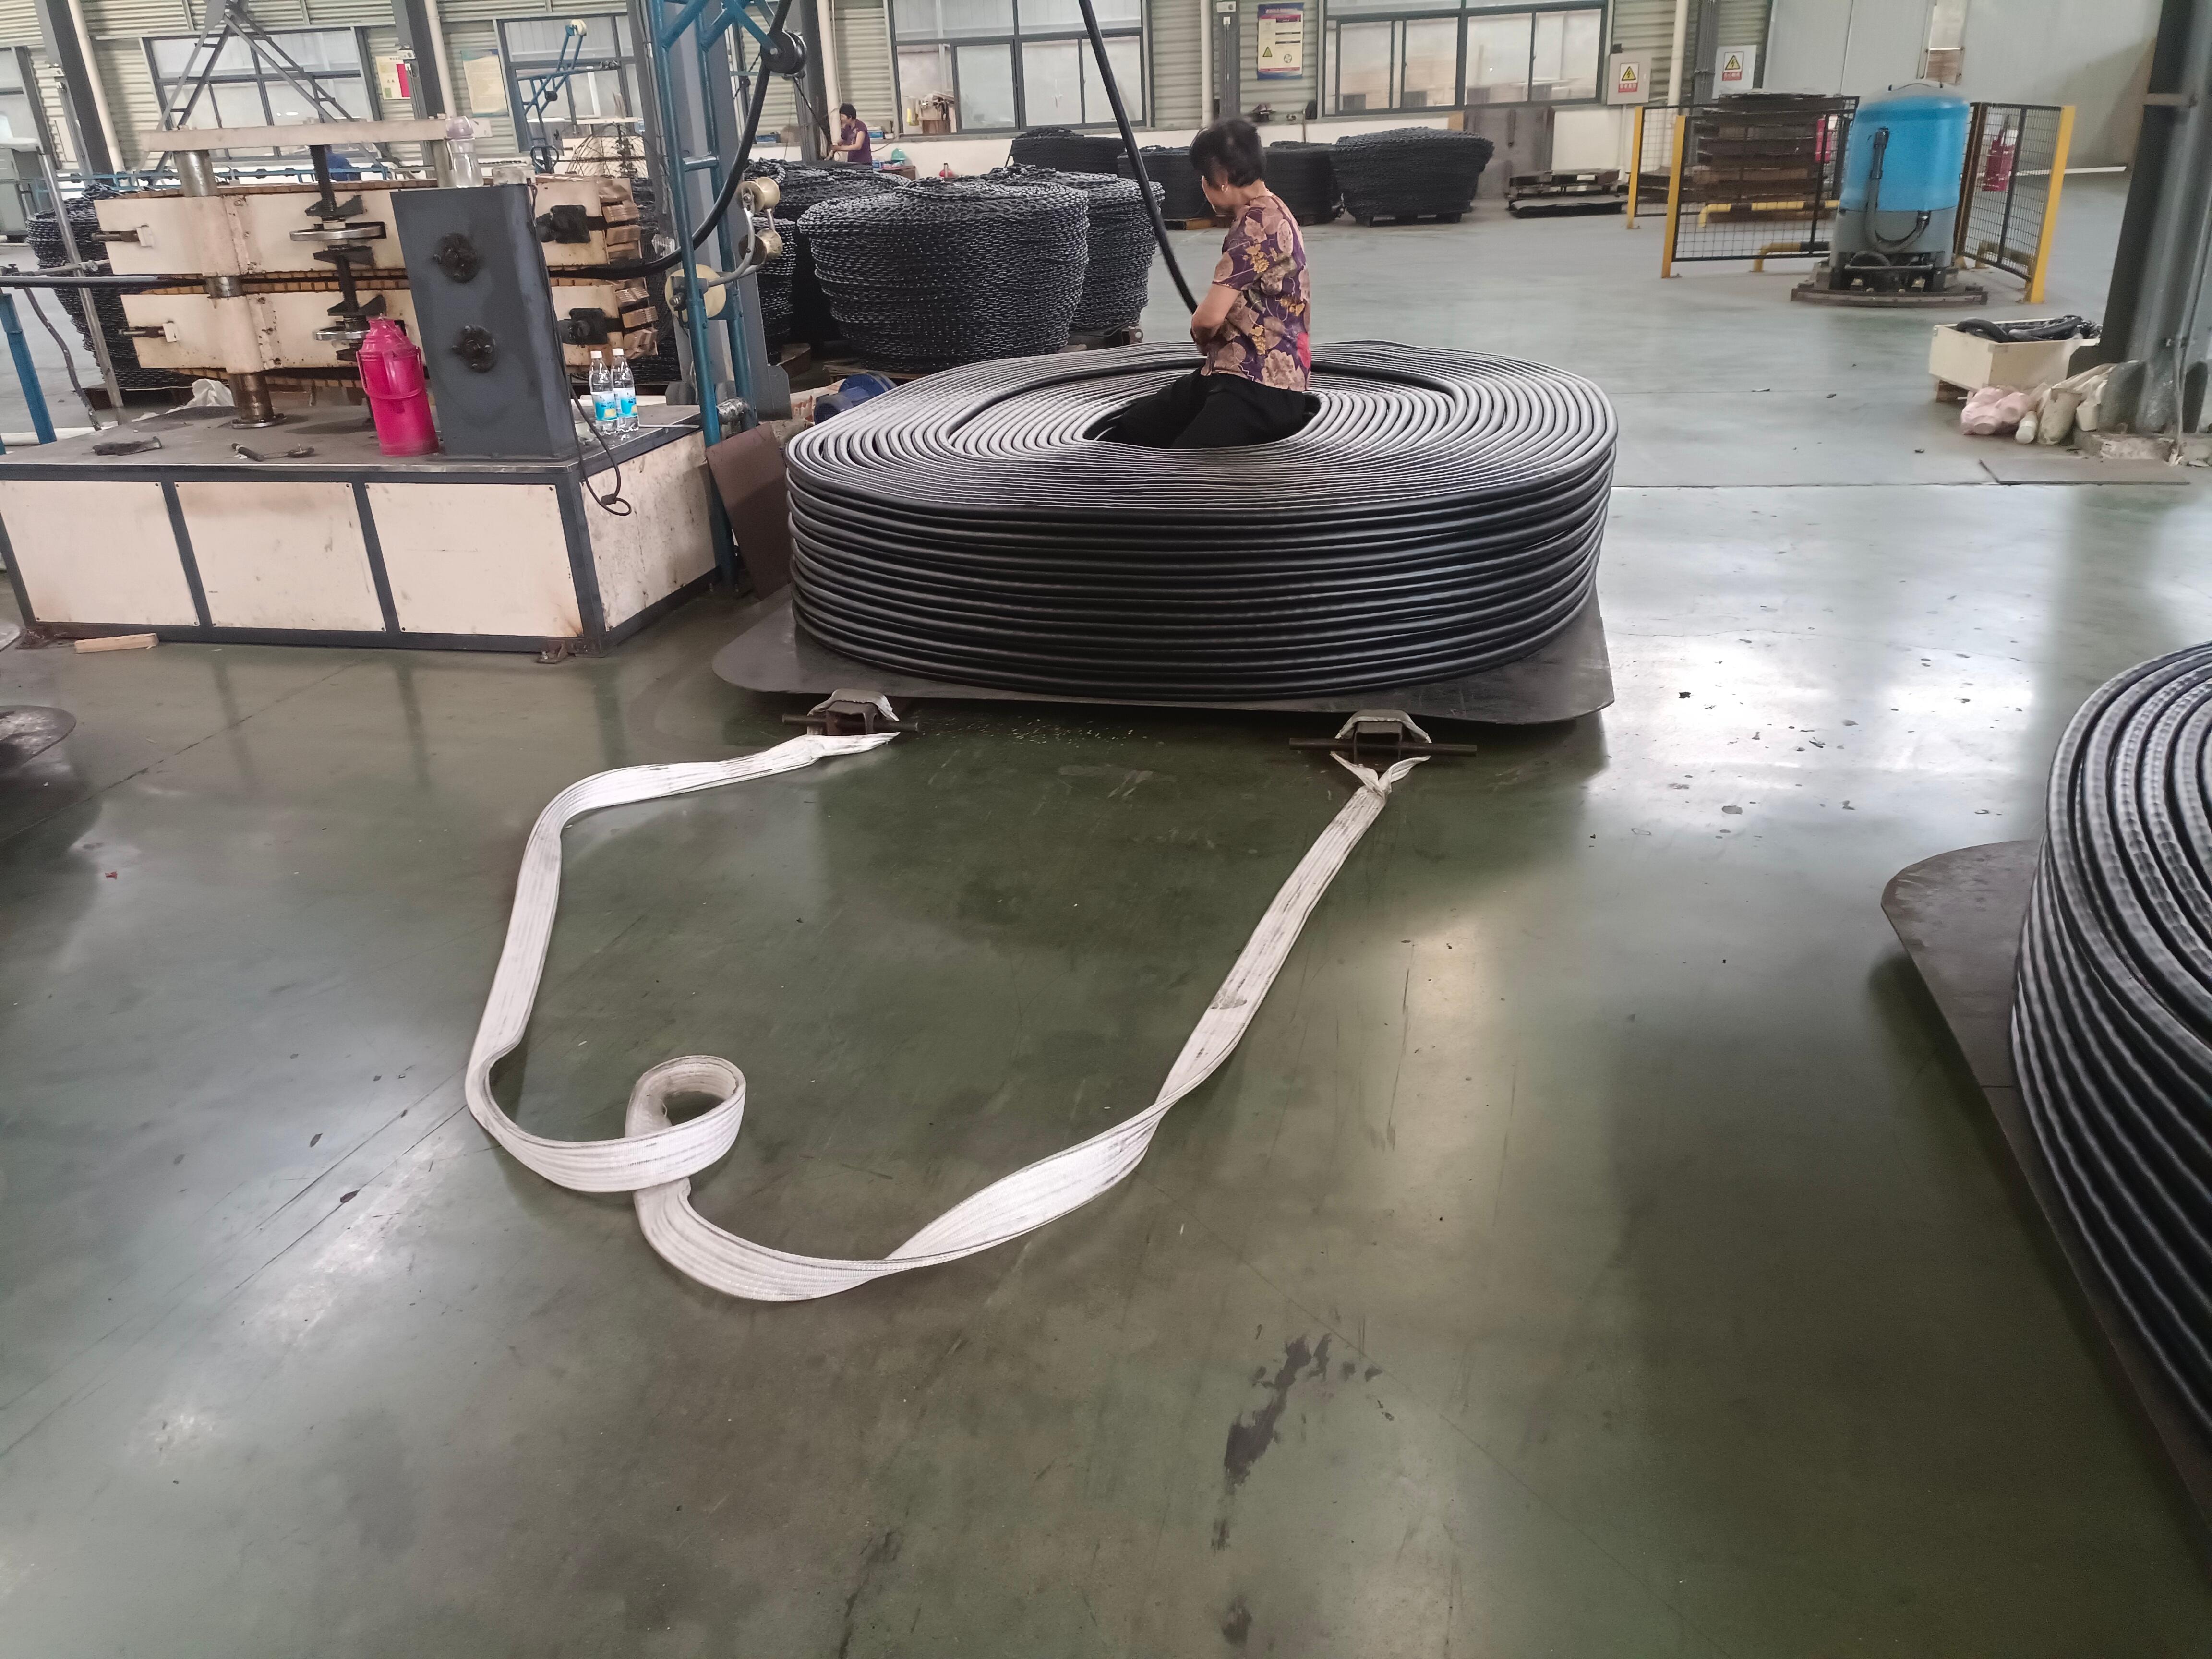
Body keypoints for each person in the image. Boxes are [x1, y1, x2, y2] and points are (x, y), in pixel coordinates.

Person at [1097, 117, 1316, 449]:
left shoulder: (1254, 228)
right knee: (1135, 428)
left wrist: (1202, 337)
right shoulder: (1275, 208)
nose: (1201, 183)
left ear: (1222, 180)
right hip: (1236, 373)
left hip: (1261, 388)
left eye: (1203, 175)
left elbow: (1208, 319)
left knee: (1185, 467)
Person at [831, 102, 873, 169]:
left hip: (863, 163)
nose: (841, 119)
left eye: (843, 117)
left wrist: (840, 149)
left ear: (850, 117)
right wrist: (837, 145)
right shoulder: (847, 127)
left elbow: (858, 146)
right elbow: (844, 140)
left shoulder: (860, 127)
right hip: (852, 162)